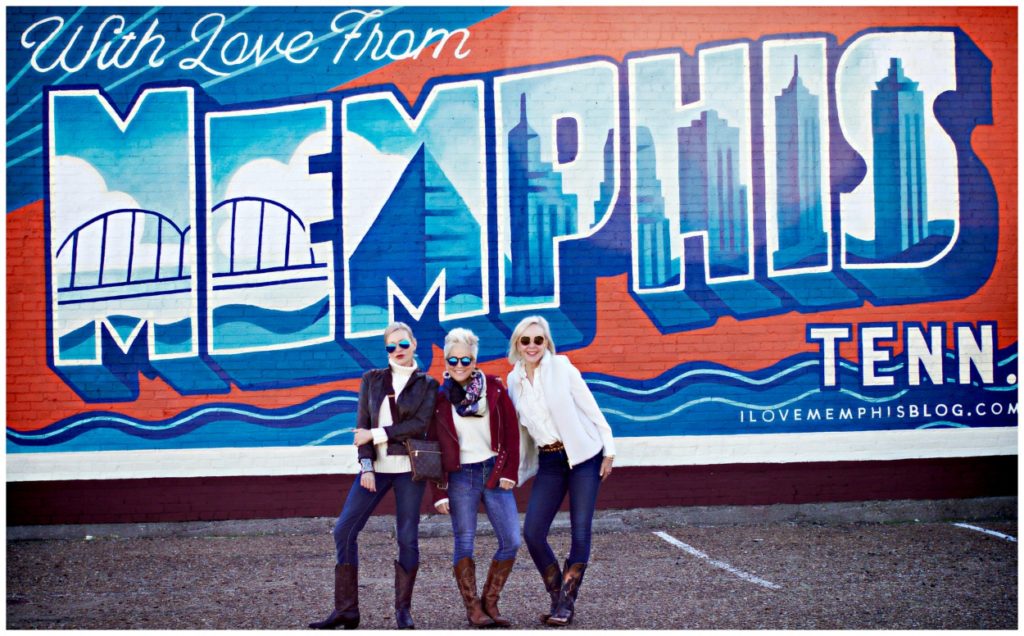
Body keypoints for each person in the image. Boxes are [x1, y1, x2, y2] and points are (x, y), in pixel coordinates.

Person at [310, 322, 439, 630]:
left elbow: (418, 425)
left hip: (409, 470)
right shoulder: (371, 379)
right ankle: (346, 610)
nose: (398, 351)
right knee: (344, 530)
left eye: (403, 344)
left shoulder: (427, 384)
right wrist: (366, 465)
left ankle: (403, 611)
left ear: (414, 344)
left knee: (407, 537)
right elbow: (361, 427)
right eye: (391, 346)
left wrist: (375, 434)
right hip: (375, 471)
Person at [505, 316, 615, 627]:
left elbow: (590, 408)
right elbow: (517, 430)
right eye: (525, 340)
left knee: (580, 530)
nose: (532, 346)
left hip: (583, 457)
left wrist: (609, 450)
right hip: (550, 461)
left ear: (546, 343)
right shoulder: (513, 380)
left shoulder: (562, 367)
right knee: (533, 532)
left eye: (538, 340)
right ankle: (556, 596)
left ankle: (567, 602)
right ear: (517, 344)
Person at [429, 328, 522, 628]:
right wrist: (438, 491)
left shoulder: (493, 390)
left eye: (465, 359)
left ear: (474, 359)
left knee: (511, 539)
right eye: (452, 359)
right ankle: (474, 610)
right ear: (446, 360)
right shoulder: (439, 399)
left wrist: (510, 472)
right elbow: (432, 446)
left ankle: (490, 602)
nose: (458, 365)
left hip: (494, 471)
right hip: (460, 478)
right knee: (464, 541)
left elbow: (511, 433)